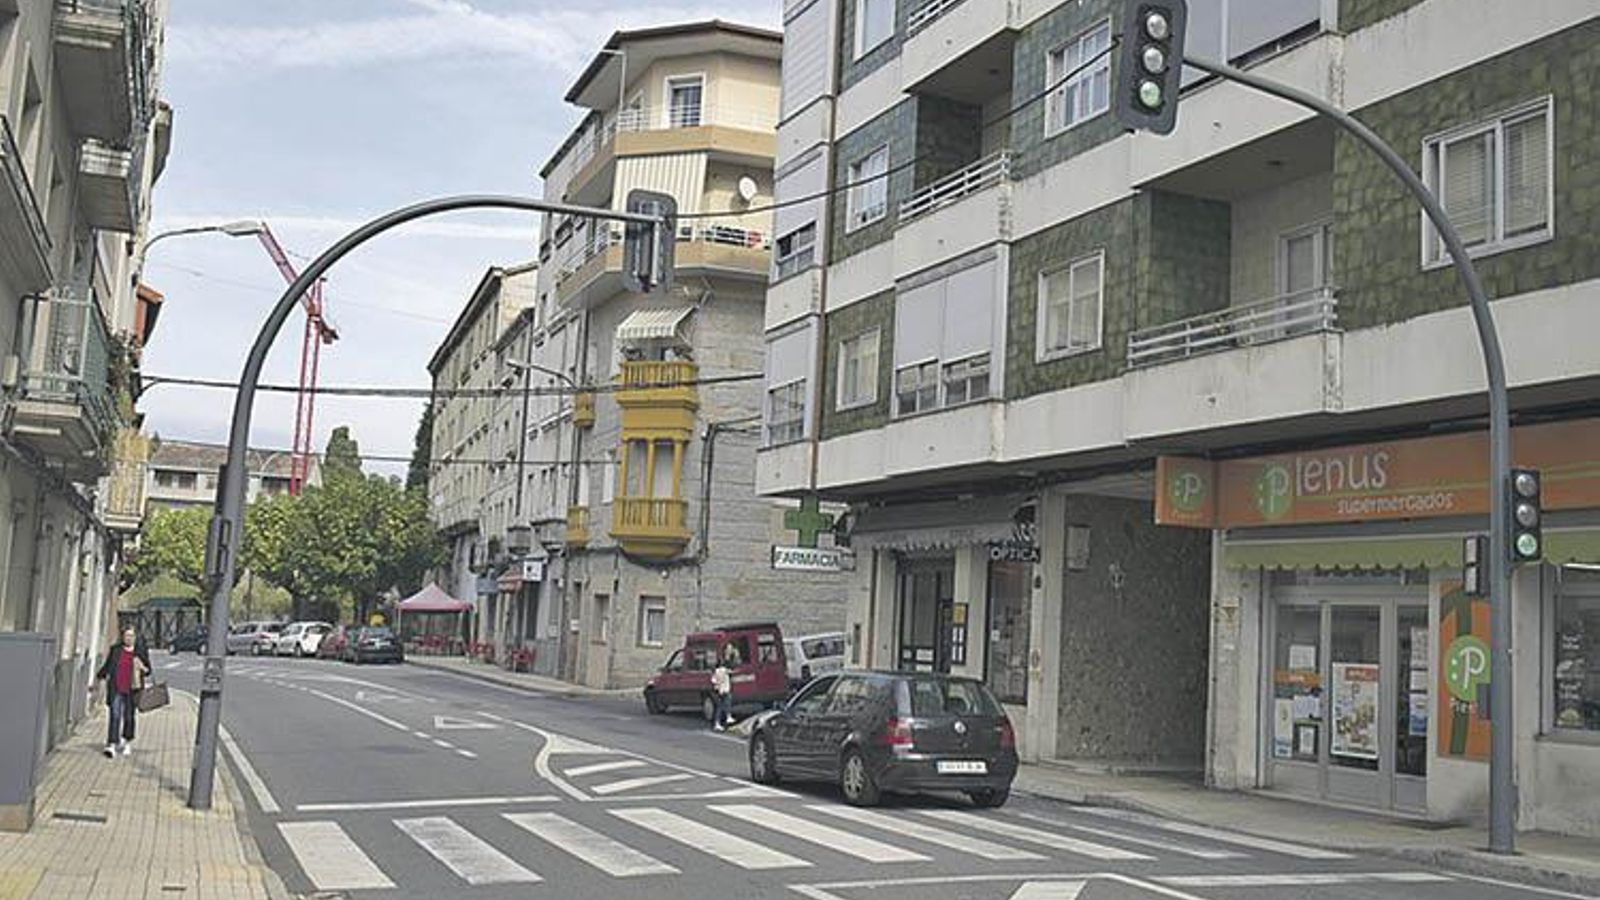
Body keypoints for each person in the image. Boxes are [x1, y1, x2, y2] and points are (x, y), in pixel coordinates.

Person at [95, 627, 151, 759]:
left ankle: (127, 742)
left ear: (135, 638)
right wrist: (99, 677)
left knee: (129, 717)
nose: (129, 638)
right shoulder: (116, 650)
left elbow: (149, 671)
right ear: (123, 637)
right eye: (127, 636)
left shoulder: (140, 652)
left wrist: (143, 667)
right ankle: (112, 744)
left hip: (132, 690)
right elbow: (108, 666)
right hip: (116, 688)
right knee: (115, 715)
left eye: (131, 636)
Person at [711, 656, 732, 732]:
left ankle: (717, 723)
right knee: (727, 705)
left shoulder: (716, 672)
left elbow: (713, 681)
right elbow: (731, 672)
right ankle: (728, 717)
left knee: (719, 708)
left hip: (719, 691)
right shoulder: (725, 670)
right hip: (726, 691)